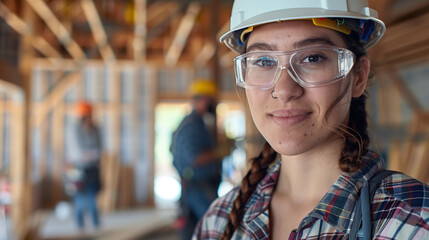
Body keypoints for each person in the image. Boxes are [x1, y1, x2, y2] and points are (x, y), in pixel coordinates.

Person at [193, 0, 429, 239]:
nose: (283, 90)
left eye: (312, 58)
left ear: (358, 76)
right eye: (263, 61)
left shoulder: (414, 220)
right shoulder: (217, 222)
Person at [170, 79, 223, 240]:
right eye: (212, 101)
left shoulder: (196, 123)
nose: (214, 105)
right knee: (214, 226)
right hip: (198, 186)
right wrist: (219, 152)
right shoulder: (192, 125)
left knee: (196, 229)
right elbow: (195, 158)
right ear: (204, 100)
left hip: (196, 184)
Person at [66, 101, 102, 231]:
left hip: (92, 168)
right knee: (79, 198)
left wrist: (90, 154)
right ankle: (80, 227)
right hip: (77, 168)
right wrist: (90, 154)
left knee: (93, 198)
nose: (90, 118)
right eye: (88, 116)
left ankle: (96, 225)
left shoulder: (95, 129)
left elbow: (98, 149)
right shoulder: (74, 130)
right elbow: (78, 153)